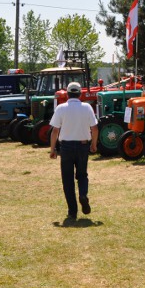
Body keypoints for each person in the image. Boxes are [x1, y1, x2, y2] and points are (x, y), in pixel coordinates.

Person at [49, 82, 98, 224]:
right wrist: (93, 144)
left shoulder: (61, 108)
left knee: (67, 179)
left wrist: (52, 149)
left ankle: (72, 211)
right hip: (83, 145)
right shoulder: (87, 107)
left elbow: (55, 131)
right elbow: (94, 128)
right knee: (82, 175)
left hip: (66, 147)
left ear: (67, 94)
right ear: (80, 94)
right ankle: (83, 194)